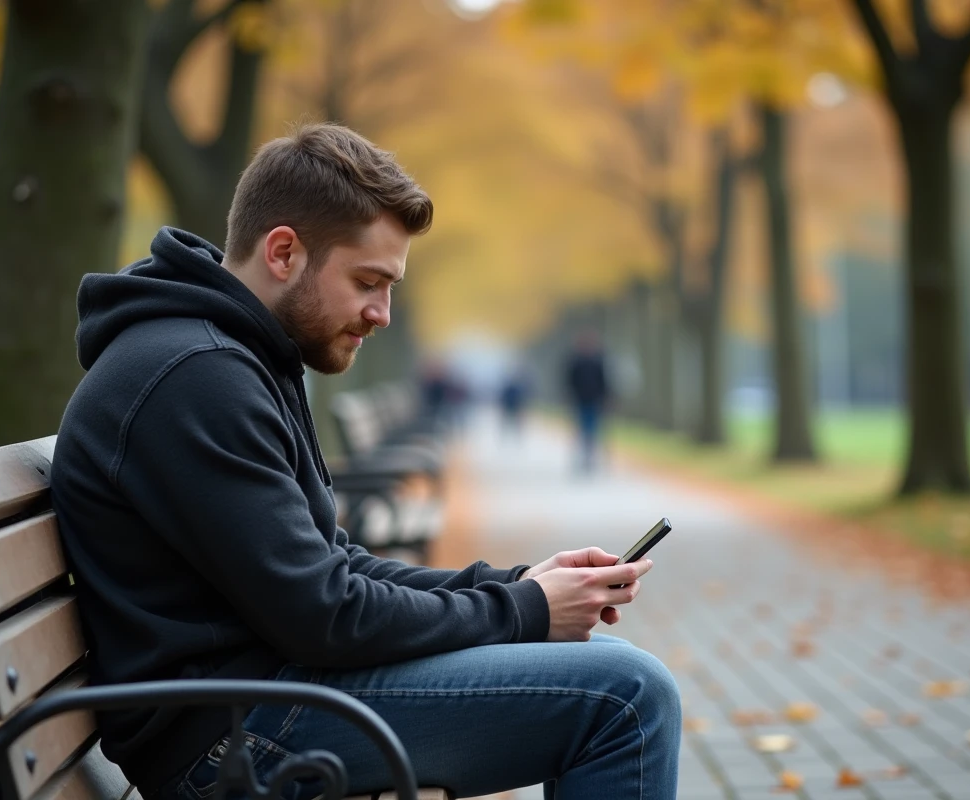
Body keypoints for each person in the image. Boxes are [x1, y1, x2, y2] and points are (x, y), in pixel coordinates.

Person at [51, 123, 680, 800]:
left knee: (610, 662)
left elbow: (333, 567)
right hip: (229, 741)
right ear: (284, 252)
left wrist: (519, 583)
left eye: (391, 288)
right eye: (367, 281)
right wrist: (523, 609)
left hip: (264, 694)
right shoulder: (196, 376)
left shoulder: (230, 355)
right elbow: (326, 614)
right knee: (627, 698)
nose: (381, 313)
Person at [564, 329, 611, 473]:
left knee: (593, 429)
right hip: (579, 401)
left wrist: (606, 397)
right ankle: (583, 456)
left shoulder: (598, 362)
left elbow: (604, 382)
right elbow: (569, 381)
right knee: (581, 429)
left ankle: (591, 456)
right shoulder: (575, 362)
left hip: (594, 401)